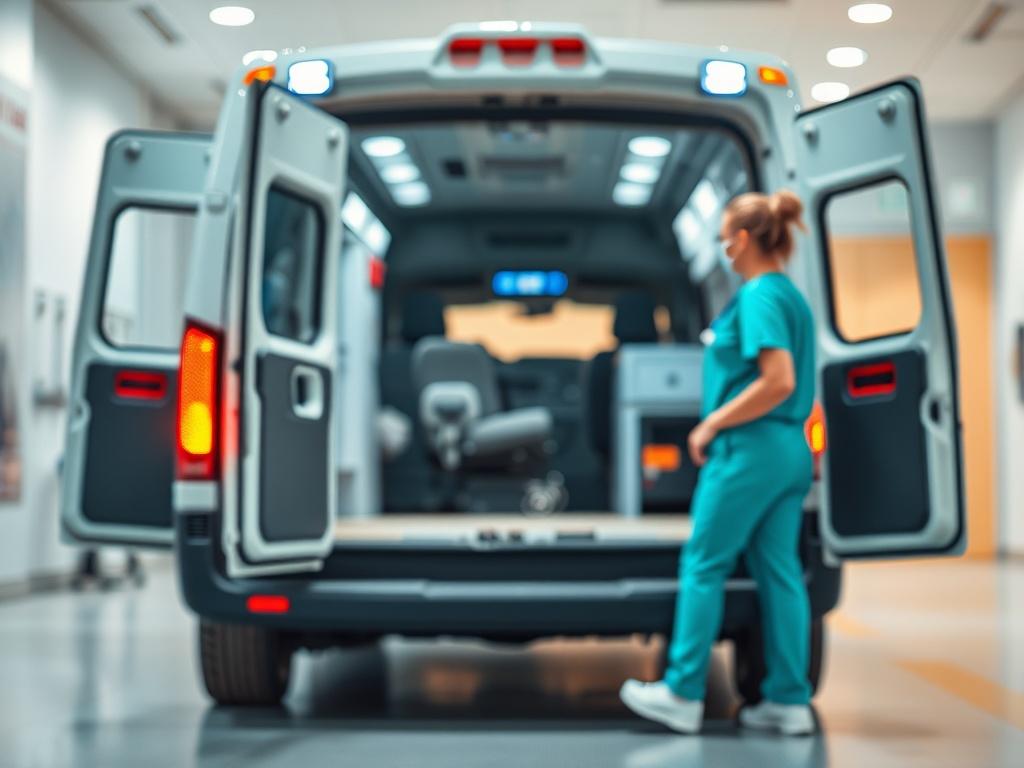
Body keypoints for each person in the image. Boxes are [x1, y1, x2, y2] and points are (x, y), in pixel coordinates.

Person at [619, 189, 817, 736]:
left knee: (704, 562)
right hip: (787, 451)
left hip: (749, 450)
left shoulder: (758, 297)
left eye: (725, 237)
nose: (724, 249)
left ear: (746, 239)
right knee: (779, 572)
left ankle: (682, 692)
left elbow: (778, 380)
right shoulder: (791, 297)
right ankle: (787, 700)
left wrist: (710, 423)